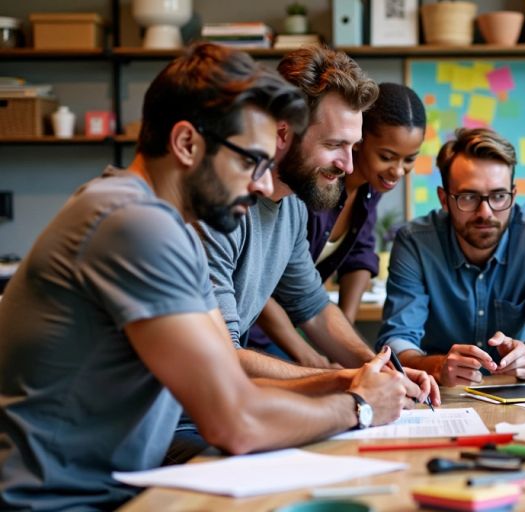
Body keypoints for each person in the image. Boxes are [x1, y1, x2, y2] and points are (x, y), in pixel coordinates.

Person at [0, 44, 416, 510]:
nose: (262, 185)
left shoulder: (167, 225)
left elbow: (234, 382)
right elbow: (235, 419)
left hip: (116, 487)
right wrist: (359, 405)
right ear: (186, 144)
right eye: (248, 162)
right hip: (60, 502)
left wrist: (352, 380)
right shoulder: (133, 222)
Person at [171, 46, 439, 463]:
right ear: (284, 133)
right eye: (335, 144)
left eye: (353, 146)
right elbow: (225, 359)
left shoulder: (294, 205)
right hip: (184, 422)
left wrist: (381, 369)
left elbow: (312, 307)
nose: (350, 166)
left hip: (229, 410)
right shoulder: (218, 206)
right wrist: (347, 381)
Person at [377, 127, 525, 386]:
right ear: (444, 199)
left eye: (499, 196)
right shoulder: (415, 241)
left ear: (513, 195)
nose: (485, 212)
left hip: (514, 392)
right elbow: (397, 339)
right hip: (439, 391)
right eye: (469, 197)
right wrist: (438, 366)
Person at [252, 83, 426, 368]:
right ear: (361, 140)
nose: (397, 171)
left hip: (303, 322)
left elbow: (356, 259)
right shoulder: (310, 187)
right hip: (261, 331)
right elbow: (258, 284)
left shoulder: (369, 191)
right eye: (386, 156)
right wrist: (314, 360)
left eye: (409, 160)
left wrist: (347, 346)